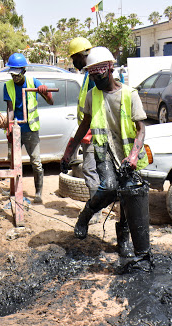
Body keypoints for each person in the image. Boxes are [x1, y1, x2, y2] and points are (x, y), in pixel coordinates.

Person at [61, 47, 152, 272]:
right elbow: (84, 125)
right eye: (91, 76)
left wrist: (132, 156)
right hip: (103, 151)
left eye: (98, 75)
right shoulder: (93, 95)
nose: (95, 80)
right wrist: (68, 151)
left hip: (126, 155)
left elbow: (141, 129)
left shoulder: (130, 95)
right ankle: (86, 214)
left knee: (129, 197)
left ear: (109, 70)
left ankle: (123, 240)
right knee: (109, 188)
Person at [4, 53, 53, 204]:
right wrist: (9, 126)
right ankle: (14, 190)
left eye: (17, 74)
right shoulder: (8, 86)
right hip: (16, 129)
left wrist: (44, 92)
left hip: (31, 129)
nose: (15, 78)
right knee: (13, 162)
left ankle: (38, 192)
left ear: (23, 71)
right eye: (12, 74)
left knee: (36, 163)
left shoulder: (33, 81)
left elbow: (51, 101)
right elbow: (10, 109)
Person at [68, 37, 104, 226]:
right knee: (96, 171)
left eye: (74, 58)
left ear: (82, 55)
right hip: (89, 131)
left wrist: (88, 131)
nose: (73, 62)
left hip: (94, 133)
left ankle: (96, 211)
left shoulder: (94, 76)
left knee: (90, 170)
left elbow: (98, 107)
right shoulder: (88, 74)